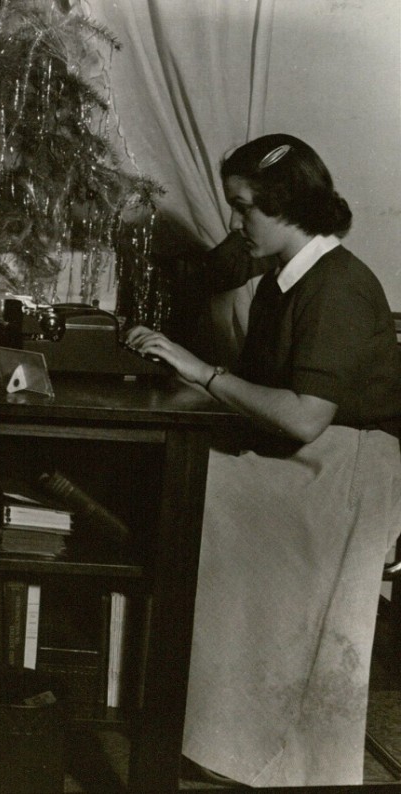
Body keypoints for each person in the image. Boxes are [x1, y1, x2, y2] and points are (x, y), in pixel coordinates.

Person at [125, 134, 401, 787]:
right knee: (187, 478)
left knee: (195, 493)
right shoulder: (283, 280)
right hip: (311, 456)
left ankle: (242, 738)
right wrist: (181, 374)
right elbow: (262, 398)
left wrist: (204, 372)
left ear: (287, 206)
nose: (234, 222)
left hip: (351, 468)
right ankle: (221, 730)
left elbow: (306, 415)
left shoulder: (338, 285)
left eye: (244, 208)